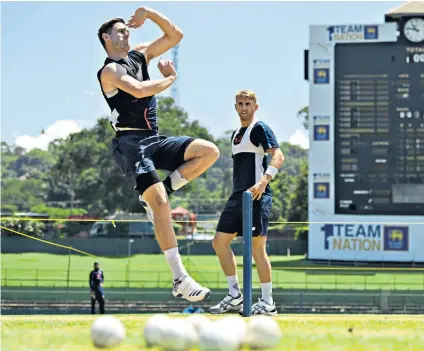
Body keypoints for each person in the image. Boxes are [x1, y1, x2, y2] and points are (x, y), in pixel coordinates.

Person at [96, 6, 219, 303]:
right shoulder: (109, 71)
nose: (126, 33)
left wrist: (147, 13)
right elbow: (138, 91)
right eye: (120, 31)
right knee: (161, 205)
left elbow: (175, 35)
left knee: (208, 152)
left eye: (127, 29)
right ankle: (180, 279)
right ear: (106, 38)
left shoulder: (140, 54)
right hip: (130, 145)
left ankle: (158, 193)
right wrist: (170, 81)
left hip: (155, 139)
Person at [209, 90, 285, 316]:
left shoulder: (260, 128)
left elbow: (278, 156)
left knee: (257, 249)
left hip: (257, 196)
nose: (244, 107)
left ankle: (268, 302)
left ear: (255, 107)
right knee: (219, 243)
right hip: (237, 196)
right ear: (235, 107)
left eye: (248, 104)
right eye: (240, 104)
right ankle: (234, 295)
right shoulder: (236, 135)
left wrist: (264, 181)